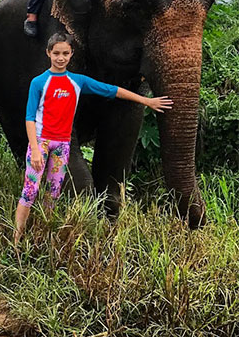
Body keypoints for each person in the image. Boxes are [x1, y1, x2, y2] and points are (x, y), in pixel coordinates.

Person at [13, 33, 172, 245]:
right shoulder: (39, 82)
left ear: (71, 55)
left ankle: (44, 235)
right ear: (48, 53)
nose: (61, 58)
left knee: (53, 192)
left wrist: (145, 100)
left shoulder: (77, 81)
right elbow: (30, 117)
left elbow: (112, 90)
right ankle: (16, 238)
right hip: (41, 142)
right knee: (30, 190)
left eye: (65, 53)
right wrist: (33, 148)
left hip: (62, 145)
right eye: (57, 53)